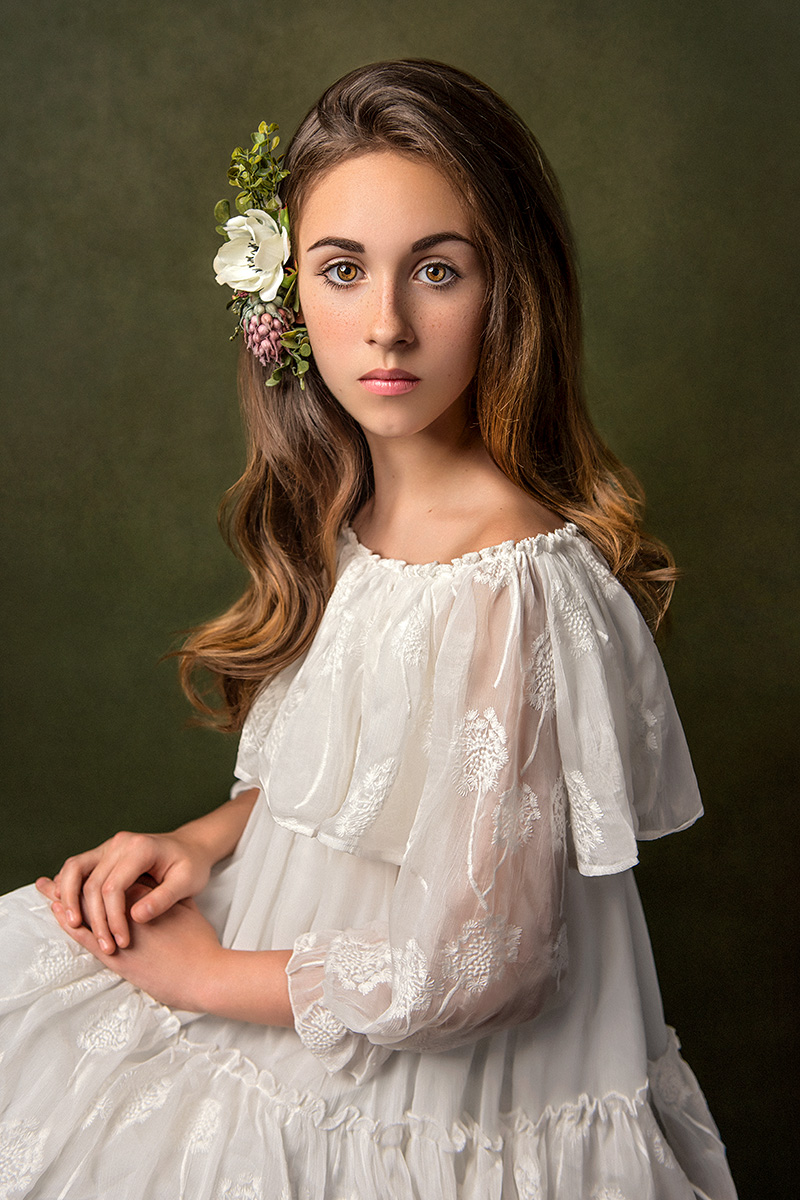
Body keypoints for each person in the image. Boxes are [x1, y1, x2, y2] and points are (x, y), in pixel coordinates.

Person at [0, 59, 736, 1199]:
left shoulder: (507, 583)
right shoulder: (361, 519)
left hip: (422, 1110)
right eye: (343, 272)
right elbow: (364, 789)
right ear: (287, 304)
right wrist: (204, 842)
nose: (385, 326)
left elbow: (478, 965)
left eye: (435, 272)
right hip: (287, 1006)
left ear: (507, 294)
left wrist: (201, 977)